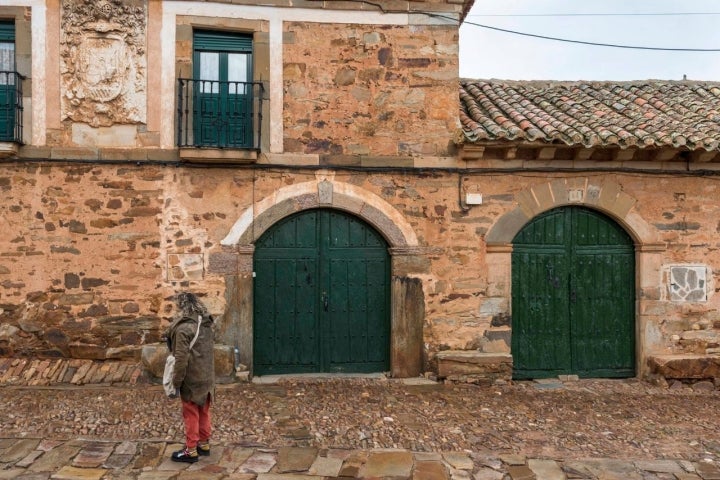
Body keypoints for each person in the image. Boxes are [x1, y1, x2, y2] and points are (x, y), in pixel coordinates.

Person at [166, 292, 215, 463]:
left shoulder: (183, 329)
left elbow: (181, 359)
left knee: (191, 413)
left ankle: (191, 450)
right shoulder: (206, 324)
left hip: (192, 378)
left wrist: (176, 382)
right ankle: (204, 443)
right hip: (207, 376)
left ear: (181, 307)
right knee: (204, 411)